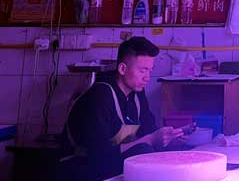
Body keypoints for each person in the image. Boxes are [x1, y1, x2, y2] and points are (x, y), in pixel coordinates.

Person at [61, 37, 184, 181]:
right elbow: (99, 154)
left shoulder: (137, 94)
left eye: (149, 71)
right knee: (143, 152)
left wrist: (171, 137)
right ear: (122, 69)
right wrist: (150, 139)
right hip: (82, 168)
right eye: (143, 71)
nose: (147, 78)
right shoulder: (99, 97)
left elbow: (149, 130)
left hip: (110, 163)